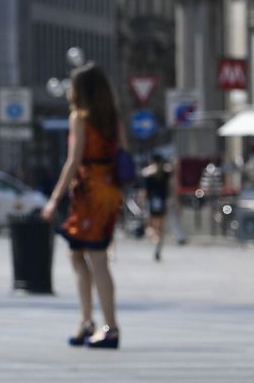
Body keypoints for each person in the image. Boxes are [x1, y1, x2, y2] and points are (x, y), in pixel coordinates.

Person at [41, 62, 123, 348]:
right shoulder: (112, 118)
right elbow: (120, 153)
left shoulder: (80, 118)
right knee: (78, 254)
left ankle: (109, 326)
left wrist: (54, 199)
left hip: (89, 192)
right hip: (108, 190)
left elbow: (73, 161)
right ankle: (88, 321)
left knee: (95, 257)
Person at [141, 153, 173, 261]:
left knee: (151, 226)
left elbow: (145, 190)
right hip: (163, 201)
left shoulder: (148, 173)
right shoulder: (166, 172)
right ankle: (158, 247)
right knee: (161, 227)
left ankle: (155, 239)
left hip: (152, 201)